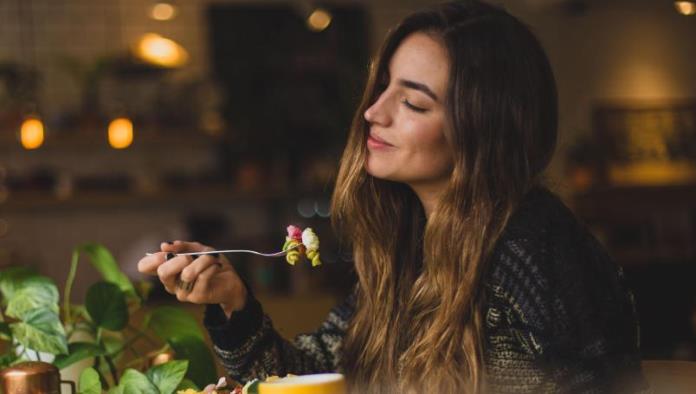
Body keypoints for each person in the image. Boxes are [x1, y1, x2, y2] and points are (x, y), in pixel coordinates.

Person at [138, 1, 648, 392]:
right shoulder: (410, 247)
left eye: (411, 102)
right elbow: (313, 376)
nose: (372, 113)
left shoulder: (533, 248)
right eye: (381, 87)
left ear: (482, 129)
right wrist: (232, 301)